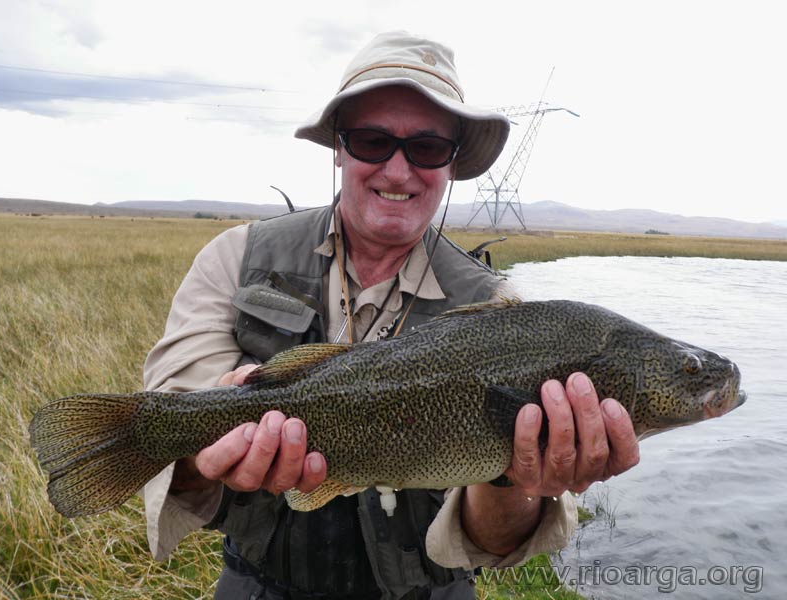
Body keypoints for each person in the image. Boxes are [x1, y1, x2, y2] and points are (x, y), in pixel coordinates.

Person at [143, 31, 640, 600]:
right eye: (373, 141)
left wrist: (516, 478)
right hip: (259, 585)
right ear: (339, 148)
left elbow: (492, 540)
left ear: (452, 162)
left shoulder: (500, 314)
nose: (399, 171)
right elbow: (171, 426)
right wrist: (202, 453)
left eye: (427, 148)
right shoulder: (236, 257)